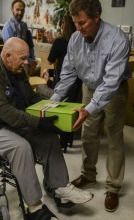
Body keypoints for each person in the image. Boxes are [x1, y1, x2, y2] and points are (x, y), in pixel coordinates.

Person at [0, 37, 93, 220]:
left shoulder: (17, 70)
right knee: (21, 147)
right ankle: (34, 206)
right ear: (8, 56)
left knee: (49, 139)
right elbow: (3, 111)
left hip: (15, 119)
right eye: (23, 58)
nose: (27, 62)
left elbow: (30, 98)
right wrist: (38, 122)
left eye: (27, 58)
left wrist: (52, 108)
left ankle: (59, 187)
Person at [50, 0, 131, 212]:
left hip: (114, 90)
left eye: (82, 23)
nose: (78, 28)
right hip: (89, 87)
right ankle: (88, 174)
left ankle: (113, 187)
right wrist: (54, 101)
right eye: (75, 23)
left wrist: (89, 108)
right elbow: (68, 73)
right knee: (88, 132)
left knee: (114, 136)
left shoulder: (118, 39)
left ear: (97, 16)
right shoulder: (75, 39)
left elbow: (111, 82)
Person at [36, 15, 82, 152]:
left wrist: (49, 72)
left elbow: (50, 60)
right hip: (78, 81)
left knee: (60, 108)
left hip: (62, 81)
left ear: (63, 26)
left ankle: (60, 142)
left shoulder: (60, 41)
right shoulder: (81, 42)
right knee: (71, 110)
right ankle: (68, 141)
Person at [1, 0, 37, 74]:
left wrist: (32, 61)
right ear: (12, 9)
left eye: (22, 10)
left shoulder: (24, 25)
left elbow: (30, 45)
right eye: (17, 10)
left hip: (25, 62)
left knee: (26, 83)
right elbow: (10, 50)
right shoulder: (8, 27)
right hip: (14, 64)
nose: (20, 13)